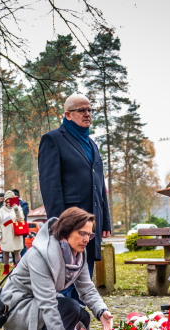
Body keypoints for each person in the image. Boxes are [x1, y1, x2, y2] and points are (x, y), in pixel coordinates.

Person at [1, 207, 113, 330]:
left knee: (82, 315)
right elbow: (48, 304)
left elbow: (86, 287)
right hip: (17, 305)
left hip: (38, 301)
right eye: (82, 233)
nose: (86, 240)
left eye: (89, 235)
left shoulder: (78, 253)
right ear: (66, 232)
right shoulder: (41, 254)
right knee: (70, 308)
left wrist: (101, 311)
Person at [37, 93, 112, 301]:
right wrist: (60, 225)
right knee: (65, 283)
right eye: (81, 110)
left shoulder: (92, 144)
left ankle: (78, 328)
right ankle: (61, 328)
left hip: (90, 225)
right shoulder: (52, 140)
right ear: (67, 115)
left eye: (89, 110)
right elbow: (50, 186)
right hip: (69, 226)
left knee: (84, 278)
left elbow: (100, 186)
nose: (87, 114)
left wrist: (104, 220)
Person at [0, 190, 24, 275]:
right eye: (7, 199)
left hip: (16, 233)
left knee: (17, 251)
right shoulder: (2, 210)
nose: (8, 201)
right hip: (6, 233)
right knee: (6, 251)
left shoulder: (18, 208)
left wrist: (16, 211)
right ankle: (6, 269)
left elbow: (20, 220)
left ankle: (18, 269)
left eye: (10, 199)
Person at [12, 188, 30, 255]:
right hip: (12, 227)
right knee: (13, 246)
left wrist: (16, 206)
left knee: (21, 245)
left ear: (17, 196)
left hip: (20, 227)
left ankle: (23, 260)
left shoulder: (23, 203)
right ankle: (15, 262)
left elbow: (24, 213)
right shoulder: (9, 204)